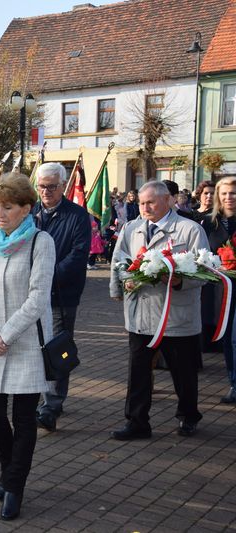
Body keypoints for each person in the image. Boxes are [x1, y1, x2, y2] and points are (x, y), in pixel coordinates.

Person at [0, 172, 56, 521]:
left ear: (26, 208)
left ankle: (15, 485)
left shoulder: (41, 242)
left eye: (7, 207)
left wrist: (5, 335)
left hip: (25, 344)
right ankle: (9, 472)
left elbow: (38, 298)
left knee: (24, 419)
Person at [110, 181, 207, 439]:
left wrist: (180, 281)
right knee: (138, 372)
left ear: (168, 201)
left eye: (150, 202)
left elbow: (206, 271)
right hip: (141, 314)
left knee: (183, 372)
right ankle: (137, 422)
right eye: (142, 202)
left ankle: (188, 416)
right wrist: (121, 284)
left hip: (176, 316)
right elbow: (119, 261)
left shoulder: (189, 230)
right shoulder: (131, 228)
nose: (145, 207)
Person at [32, 162, 91, 432]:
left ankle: (51, 406)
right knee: (34, 349)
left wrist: (46, 277)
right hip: (31, 295)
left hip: (61, 294)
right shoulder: (30, 212)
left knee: (57, 349)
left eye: (51, 186)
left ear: (64, 186)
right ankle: (36, 398)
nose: (45, 191)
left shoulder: (77, 216)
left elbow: (78, 256)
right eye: (42, 186)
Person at [202, 177, 236, 403]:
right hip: (222, 289)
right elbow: (202, 254)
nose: (228, 198)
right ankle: (233, 382)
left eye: (233, 193)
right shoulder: (208, 223)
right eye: (224, 193)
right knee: (227, 337)